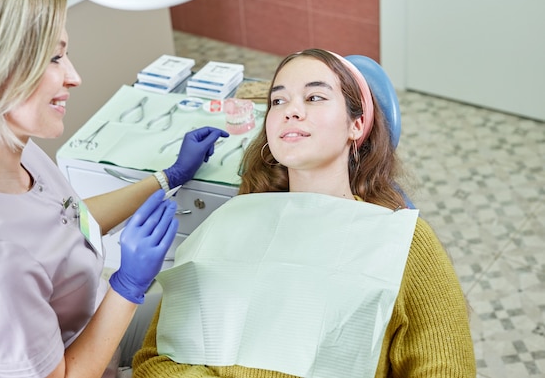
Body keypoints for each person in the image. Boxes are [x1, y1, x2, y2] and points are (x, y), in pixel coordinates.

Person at [0, 0, 228, 377]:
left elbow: (67, 219)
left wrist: (168, 177)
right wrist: (128, 284)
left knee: (210, 302)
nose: (74, 77)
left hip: (89, 325)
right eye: (55, 58)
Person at [131, 49, 476, 377]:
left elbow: (444, 368)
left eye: (314, 97)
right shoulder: (226, 224)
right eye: (278, 101)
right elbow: (155, 360)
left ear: (356, 125)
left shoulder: (404, 243)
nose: (290, 111)